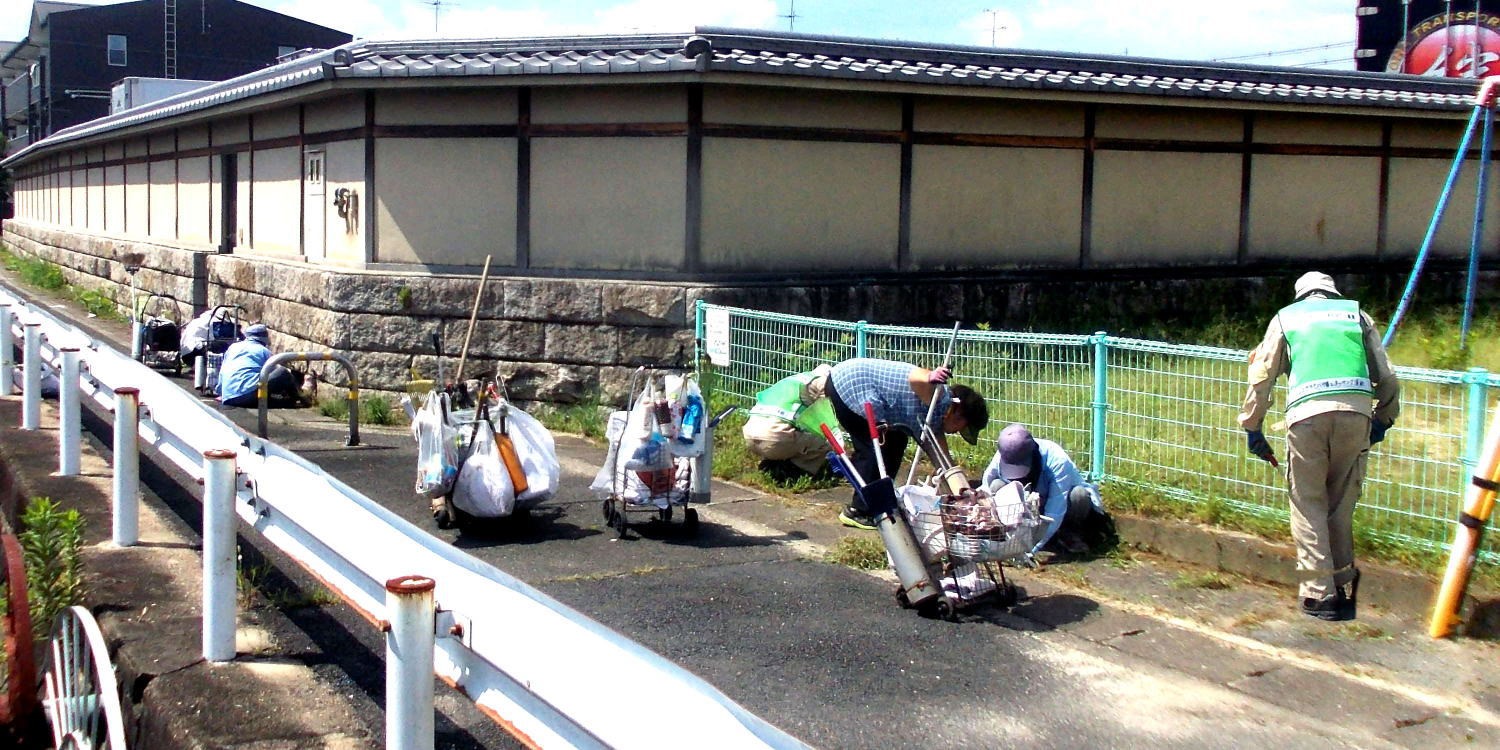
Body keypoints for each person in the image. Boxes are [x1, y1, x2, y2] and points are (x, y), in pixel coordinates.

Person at [1239, 271, 1400, 622]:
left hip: (1306, 419)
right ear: (1333, 293)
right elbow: (1386, 376)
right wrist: (1383, 419)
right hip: (1356, 415)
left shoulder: (1286, 318)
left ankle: (1317, 594)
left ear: (1301, 295)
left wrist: (1252, 427)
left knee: (1308, 503)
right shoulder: (1356, 315)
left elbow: (1262, 375)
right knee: (1340, 504)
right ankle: (1342, 584)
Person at [824, 358, 989, 529]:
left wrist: (963, 493)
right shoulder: (937, 396)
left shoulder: (935, 420)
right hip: (850, 386)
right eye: (963, 427)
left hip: (861, 392)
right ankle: (858, 510)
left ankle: (880, 500)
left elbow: (943, 459)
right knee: (874, 451)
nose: (956, 432)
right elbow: (916, 377)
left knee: (896, 441)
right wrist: (931, 375)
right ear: (959, 415)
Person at [981, 423, 1110, 555]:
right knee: (996, 486)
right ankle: (1009, 534)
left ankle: (1066, 533)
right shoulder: (1006, 452)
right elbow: (986, 486)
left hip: (1062, 508)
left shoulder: (1057, 461)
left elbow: (1055, 513)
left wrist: (1029, 550)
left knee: (1079, 495)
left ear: (1033, 453)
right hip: (1031, 504)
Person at [742, 365, 838, 482]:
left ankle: (774, 463)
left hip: (749, 434)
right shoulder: (820, 382)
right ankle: (796, 472)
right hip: (775, 437)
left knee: (792, 433)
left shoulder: (793, 380)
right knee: (827, 440)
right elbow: (831, 408)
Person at [218, 323, 302, 408]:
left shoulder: (233, 347)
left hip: (227, 397)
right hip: (247, 395)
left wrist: (220, 392)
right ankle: (299, 399)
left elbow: (222, 372)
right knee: (283, 372)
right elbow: (276, 374)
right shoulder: (263, 351)